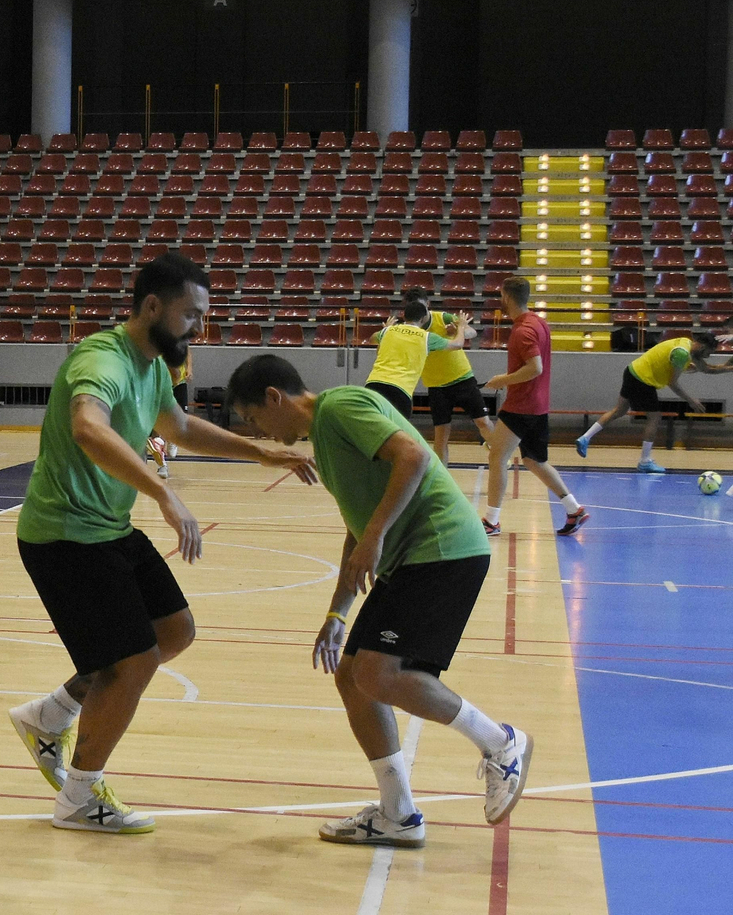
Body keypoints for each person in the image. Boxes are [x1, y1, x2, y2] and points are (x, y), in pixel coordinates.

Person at [7, 254, 317, 833]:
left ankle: (50, 715)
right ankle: (79, 796)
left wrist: (261, 451)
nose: (198, 327)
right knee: (133, 663)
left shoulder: (151, 367)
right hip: (64, 536)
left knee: (174, 631)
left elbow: (176, 427)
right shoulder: (102, 359)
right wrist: (163, 495)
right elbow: (87, 427)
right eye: (190, 315)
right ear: (153, 307)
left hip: (108, 529)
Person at [227, 354, 534, 846]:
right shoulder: (325, 444)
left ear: (273, 397)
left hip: (442, 548)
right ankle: (398, 814)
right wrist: (336, 613)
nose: (258, 430)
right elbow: (358, 528)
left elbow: (413, 457)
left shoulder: (341, 407)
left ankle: (501, 744)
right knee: (352, 678)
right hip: (410, 559)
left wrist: (374, 536)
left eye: (253, 419)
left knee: (378, 673)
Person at [480, 276, 588, 537]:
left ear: (506, 297)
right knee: (534, 461)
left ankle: (491, 521)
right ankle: (574, 510)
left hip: (521, 405)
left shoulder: (522, 331)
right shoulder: (539, 323)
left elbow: (535, 368)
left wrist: (501, 381)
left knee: (497, 456)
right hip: (538, 405)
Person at [574, 332, 731, 472]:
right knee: (655, 417)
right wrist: (691, 400)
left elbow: (707, 368)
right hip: (643, 380)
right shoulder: (682, 354)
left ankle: (585, 437)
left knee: (619, 411)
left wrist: (729, 368)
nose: (708, 356)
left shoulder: (685, 343)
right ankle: (644, 461)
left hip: (632, 371)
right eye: (709, 353)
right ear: (703, 346)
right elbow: (672, 383)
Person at [407, 288, 492, 465]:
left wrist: (457, 330)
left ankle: (499, 453)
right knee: (441, 437)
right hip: (437, 386)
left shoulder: (442, 318)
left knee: (483, 422)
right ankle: (443, 480)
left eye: (421, 308)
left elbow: (471, 332)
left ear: (427, 305)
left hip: (462, 378)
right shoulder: (410, 327)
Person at [364, 298, 468, 418]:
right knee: (399, 433)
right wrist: (460, 327)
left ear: (404, 316)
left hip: (373, 384)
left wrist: (385, 329)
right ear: (423, 318)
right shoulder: (426, 337)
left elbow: (372, 339)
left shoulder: (388, 331)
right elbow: (458, 344)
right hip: (400, 389)